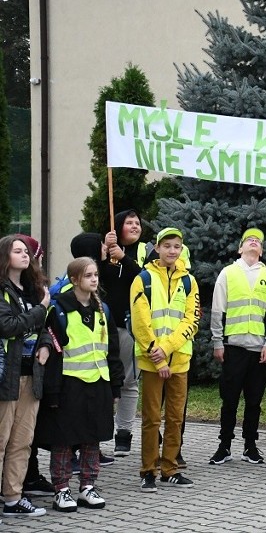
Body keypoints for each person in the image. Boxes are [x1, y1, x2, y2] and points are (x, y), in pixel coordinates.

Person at [37, 257, 124, 512]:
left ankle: (88, 485)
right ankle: (61, 489)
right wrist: (52, 391)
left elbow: (112, 351)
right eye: (88, 276)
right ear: (74, 280)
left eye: (95, 275)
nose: (94, 279)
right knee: (64, 439)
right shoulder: (59, 310)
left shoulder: (103, 310)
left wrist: (115, 386)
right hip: (69, 385)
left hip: (98, 383)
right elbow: (54, 354)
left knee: (92, 437)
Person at [131, 228, 200, 493]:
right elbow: (140, 322)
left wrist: (168, 348)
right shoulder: (143, 279)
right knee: (151, 419)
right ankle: (148, 469)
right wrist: (157, 356)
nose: (172, 251)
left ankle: (170, 468)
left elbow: (191, 319)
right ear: (157, 248)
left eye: (177, 246)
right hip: (152, 362)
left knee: (175, 418)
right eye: (167, 246)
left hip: (179, 359)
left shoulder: (189, 281)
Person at [209, 229, 266, 465]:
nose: (253, 242)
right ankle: (224, 446)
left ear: (262, 250)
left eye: (258, 240)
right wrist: (218, 342)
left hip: (257, 349)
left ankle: (250, 446)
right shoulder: (228, 273)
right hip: (233, 348)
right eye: (249, 239)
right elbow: (218, 310)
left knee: (254, 401)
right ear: (240, 249)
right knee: (229, 400)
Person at [0, 235, 50, 518]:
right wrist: (41, 308)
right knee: (1, 440)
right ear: (4, 256)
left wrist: (44, 344)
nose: (24, 255)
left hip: (31, 376)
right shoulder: (2, 289)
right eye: (17, 251)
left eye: (26, 252)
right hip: (7, 377)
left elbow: (43, 325)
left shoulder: (31, 289)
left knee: (22, 441)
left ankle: (13, 498)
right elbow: (7, 326)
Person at [102, 209, 146, 457]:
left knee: (129, 382)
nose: (134, 226)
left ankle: (124, 433)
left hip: (129, 327)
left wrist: (125, 259)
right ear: (117, 226)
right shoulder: (103, 249)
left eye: (137, 222)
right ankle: (96, 435)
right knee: (102, 383)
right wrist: (106, 252)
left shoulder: (145, 250)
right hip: (102, 329)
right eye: (129, 222)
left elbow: (149, 278)